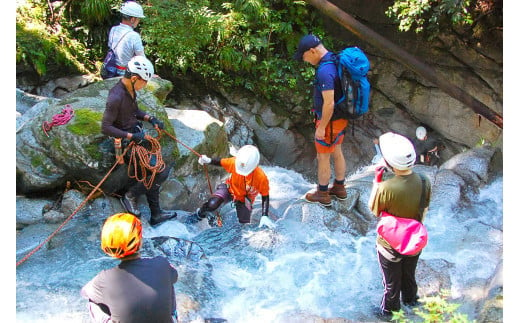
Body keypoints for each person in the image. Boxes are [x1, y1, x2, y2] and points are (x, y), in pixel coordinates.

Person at [101, 55, 176, 226]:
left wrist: (151, 118)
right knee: (160, 171)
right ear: (134, 78)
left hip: (136, 136)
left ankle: (156, 214)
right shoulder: (115, 96)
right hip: (126, 143)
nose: (145, 85)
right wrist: (131, 137)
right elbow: (106, 127)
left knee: (155, 170)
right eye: (144, 81)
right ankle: (131, 195)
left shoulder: (130, 90)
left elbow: (134, 110)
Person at [368, 132, 431, 320]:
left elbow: (374, 209)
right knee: (409, 274)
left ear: (388, 163)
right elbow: (425, 206)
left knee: (391, 283)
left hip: (389, 244)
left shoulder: (386, 187)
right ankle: (411, 300)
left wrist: (376, 183)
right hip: (414, 239)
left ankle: (389, 312)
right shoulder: (424, 180)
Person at [80, 213, 178, 322]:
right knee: (168, 281)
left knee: (93, 301)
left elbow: (84, 292)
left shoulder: (105, 278)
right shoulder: (162, 263)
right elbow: (174, 276)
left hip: (104, 288)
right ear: (139, 241)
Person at [293, 34, 348, 207]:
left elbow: (329, 103)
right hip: (342, 118)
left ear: (312, 51)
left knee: (323, 156)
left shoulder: (325, 71)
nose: (305, 61)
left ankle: (323, 193)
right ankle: (339, 188)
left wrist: (321, 127)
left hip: (330, 122)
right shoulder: (335, 59)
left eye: (305, 57)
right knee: (337, 150)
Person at [188, 145, 275, 228]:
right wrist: (208, 160)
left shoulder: (260, 177)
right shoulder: (235, 162)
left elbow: (265, 196)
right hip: (229, 189)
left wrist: (264, 215)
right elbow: (220, 162)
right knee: (212, 204)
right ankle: (199, 214)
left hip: (245, 199)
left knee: (243, 221)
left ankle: (218, 218)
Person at [107, 1, 147, 78]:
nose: (138, 22)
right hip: (127, 74)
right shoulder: (134, 36)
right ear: (132, 19)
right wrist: (149, 73)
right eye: (138, 19)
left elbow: (110, 47)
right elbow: (141, 58)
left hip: (112, 71)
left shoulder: (113, 29)